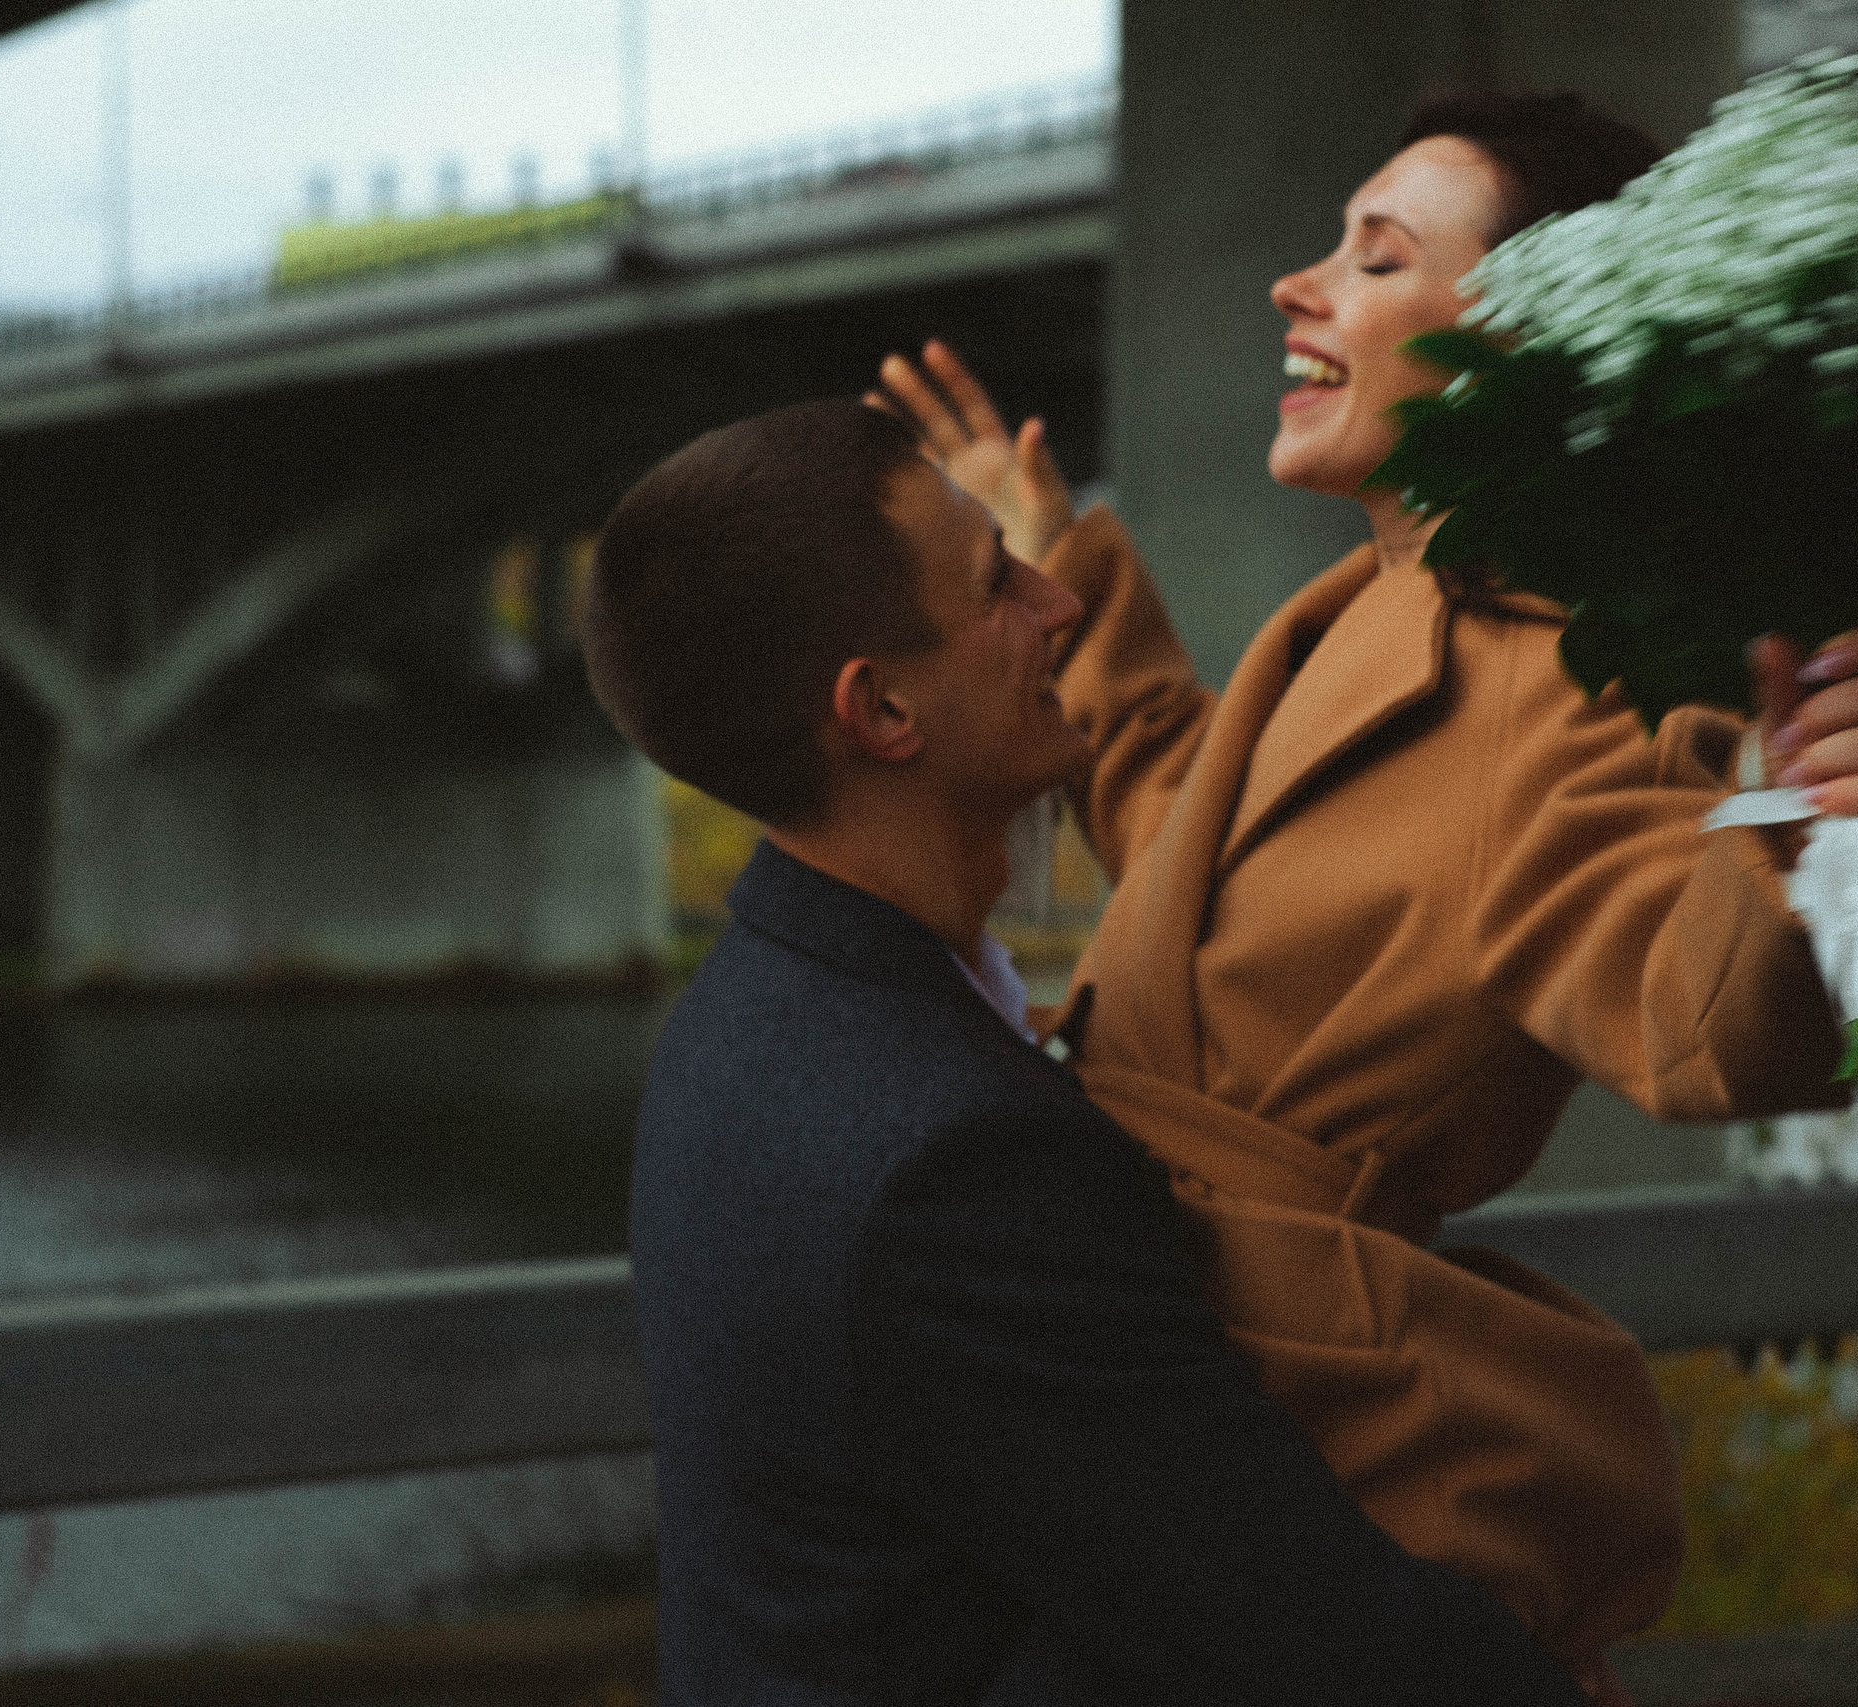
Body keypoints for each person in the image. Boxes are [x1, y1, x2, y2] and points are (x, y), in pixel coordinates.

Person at [870, 90, 1858, 1667]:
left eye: (1375, 255)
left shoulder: (1576, 677)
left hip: (1316, 1444)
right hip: (1158, 1383)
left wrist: (1847, 841)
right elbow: (1181, 838)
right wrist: (1059, 559)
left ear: (1530, 341)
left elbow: (1694, 1015)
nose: (1297, 284)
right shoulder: (1362, 606)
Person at [583, 396, 1599, 1705]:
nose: (1057, 605)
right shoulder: (952, 1162)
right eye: (998, 581)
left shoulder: (753, 1018)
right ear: (882, 707)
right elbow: (1287, 1621)